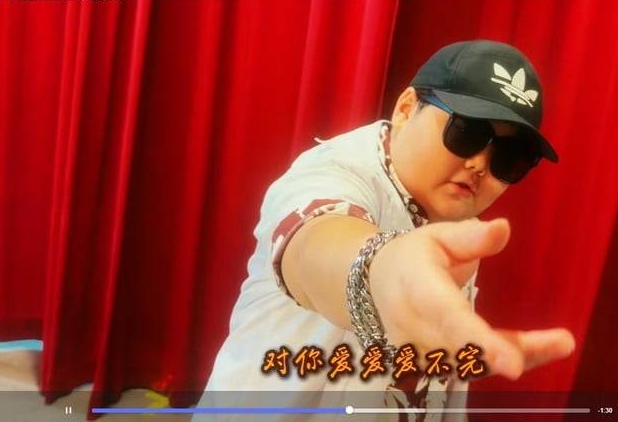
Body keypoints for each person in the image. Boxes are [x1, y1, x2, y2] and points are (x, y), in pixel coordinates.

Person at [196, 40, 575, 421]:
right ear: (406, 108)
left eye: (509, 158)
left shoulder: (462, 226)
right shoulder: (335, 173)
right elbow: (313, 243)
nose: (479, 163)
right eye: (466, 132)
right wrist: (379, 272)